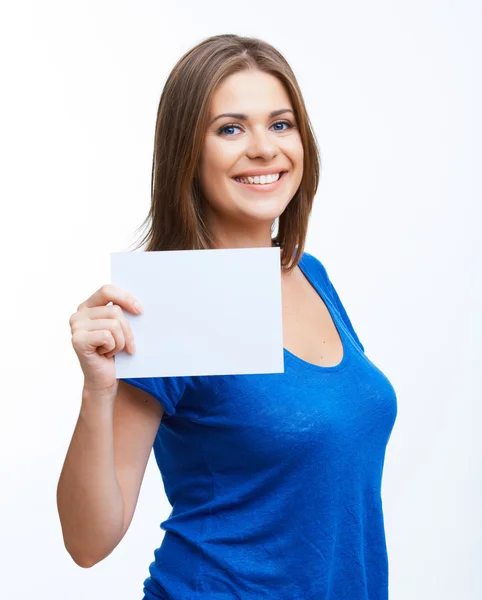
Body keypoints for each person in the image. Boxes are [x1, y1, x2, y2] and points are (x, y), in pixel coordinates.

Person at [57, 33, 398, 599]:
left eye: (281, 124)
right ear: (188, 152)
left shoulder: (310, 275)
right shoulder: (168, 304)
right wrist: (97, 391)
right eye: (230, 128)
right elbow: (88, 542)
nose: (264, 149)